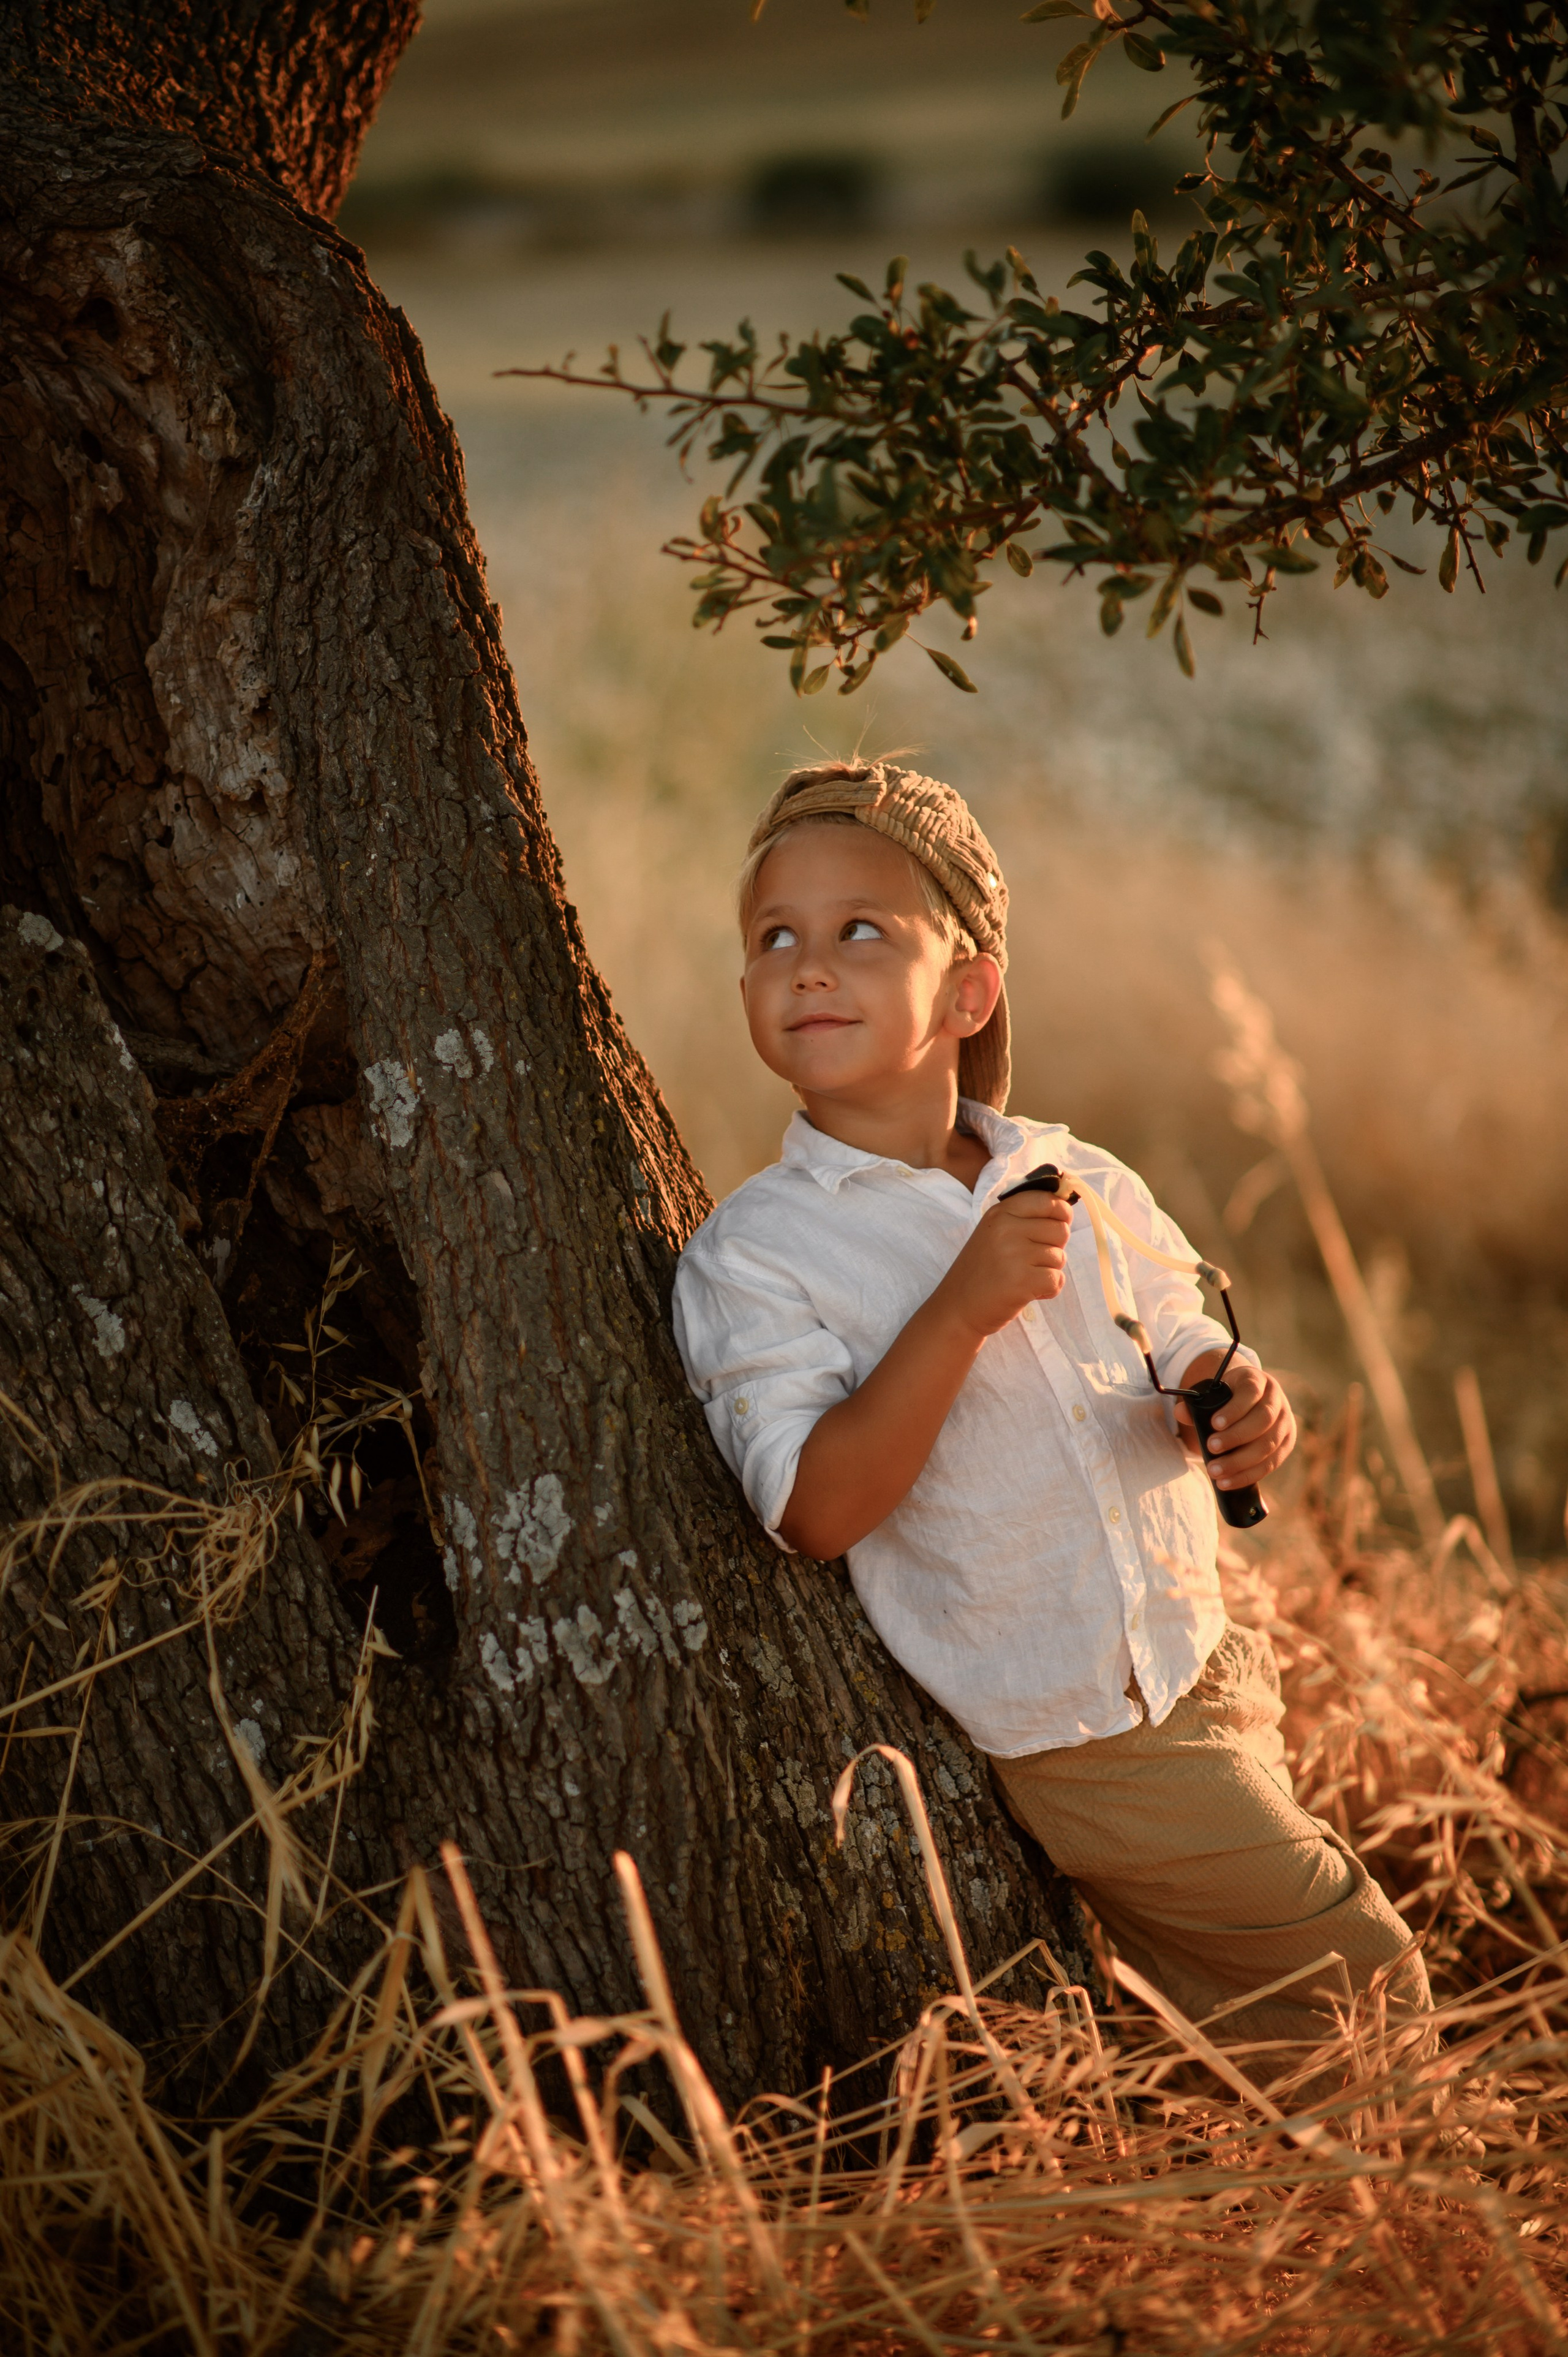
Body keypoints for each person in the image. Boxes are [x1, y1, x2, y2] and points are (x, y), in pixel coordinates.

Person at [671, 756, 1430, 2084]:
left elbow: (1177, 1308)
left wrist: (1229, 1396)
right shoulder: (759, 1253)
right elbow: (809, 1506)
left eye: (860, 930)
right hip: (1080, 1722)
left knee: (1247, 2021)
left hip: (1195, 1649)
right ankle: (1413, 2217)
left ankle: (1272, 2191)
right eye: (771, 938)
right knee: (1355, 1984)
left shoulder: (1066, 1171)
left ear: (968, 989)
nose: (805, 964)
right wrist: (956, 1313)